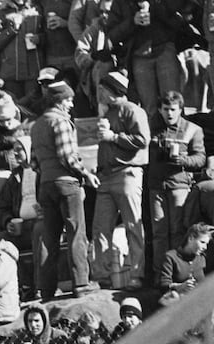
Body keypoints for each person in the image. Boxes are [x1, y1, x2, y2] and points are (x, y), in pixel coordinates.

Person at [30, 81, 100, 300]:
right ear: (59, 102)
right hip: (67, 184)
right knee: (76, 234)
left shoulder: (36, 125)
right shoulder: (60, 122)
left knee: (49, 238)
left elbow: (33, 163)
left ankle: (46, 289)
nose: (71, 104)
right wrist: (86, 174)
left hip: (45, 186)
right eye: (68, 100)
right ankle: (81, 283)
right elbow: (67, 157)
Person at [90, 70, 150, 289]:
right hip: (106, 175)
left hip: (128, 173)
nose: (99, 92)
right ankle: (102, 276)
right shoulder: (107, 112)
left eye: (102, 89)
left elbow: (143, 140)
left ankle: (136, 274)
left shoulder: (133, 110)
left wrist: (113, 137)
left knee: (133, 225)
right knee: (100, 228)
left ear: (111, 90)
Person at [147, 90, 206, 282]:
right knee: (159, 232)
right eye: (165, 110)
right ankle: (160, 275)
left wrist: (184, 160)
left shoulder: (193, 129)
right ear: (160, 109)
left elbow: (201, 158)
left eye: (173, 110)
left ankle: (179, 275)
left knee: (178, 230)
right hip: (156, 186)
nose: (169, 114)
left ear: (180, 109)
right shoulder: (152, 128)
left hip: (179, 184)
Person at [158, 221, 213, 299]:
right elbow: (163, 285)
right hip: (176, 301)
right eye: (202, 242)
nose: (205, 247)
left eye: (206, 244)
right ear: (190, 238)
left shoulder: (202, 258)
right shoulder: (171, 257)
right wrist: (180, 287)